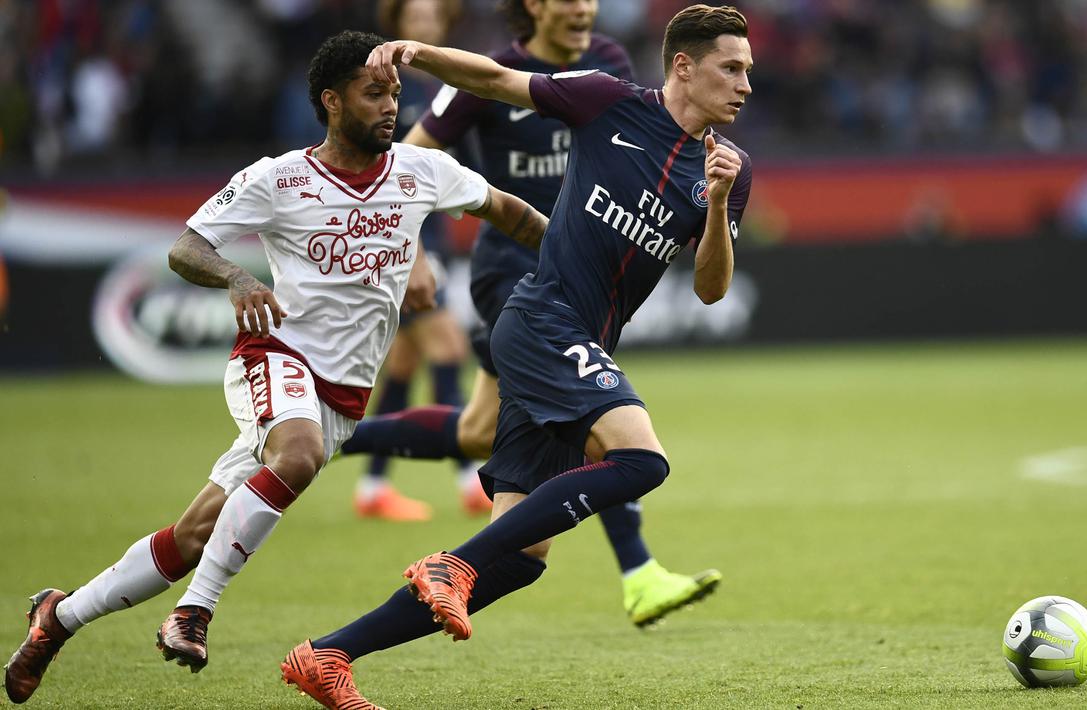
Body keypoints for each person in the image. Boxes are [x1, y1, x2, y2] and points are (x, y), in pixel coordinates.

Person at [3, 29, 548, 705]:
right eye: (372, 93)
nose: (389, 107)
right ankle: (195, 612)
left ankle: (58, 618)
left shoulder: (419, 171)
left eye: (394, 94)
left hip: (344, 394)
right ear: (330, 100)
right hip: (276, 355)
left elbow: (510, 213)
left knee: (197, 534)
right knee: (295, 455)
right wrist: (236, 278)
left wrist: (574, 261)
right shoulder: (279, 177)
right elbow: (187, 248)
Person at [281, 6, 753, 708]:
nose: (745, 83)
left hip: (582, 339)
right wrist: (420, 53)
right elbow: (497, 79)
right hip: (539, 318)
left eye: (747, 70)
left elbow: (712, 288)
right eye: (731, 67)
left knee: (521, 560)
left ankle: (328, 655)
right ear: (682, 65)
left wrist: (716, 203)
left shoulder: (729, 171)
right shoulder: (609, 100)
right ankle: (450, 564)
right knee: (642, 460)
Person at [354, 0, 490, 523]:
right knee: (450, 346)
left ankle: (371, 489)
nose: (426, 25)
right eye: (416, 18)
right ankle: (469, 479)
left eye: (434, 17)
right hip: (396, 245)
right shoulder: (383, 90)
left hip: (428, 244)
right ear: (398, 27)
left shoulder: (450, 90)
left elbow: (471, 170)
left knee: (404, 366)